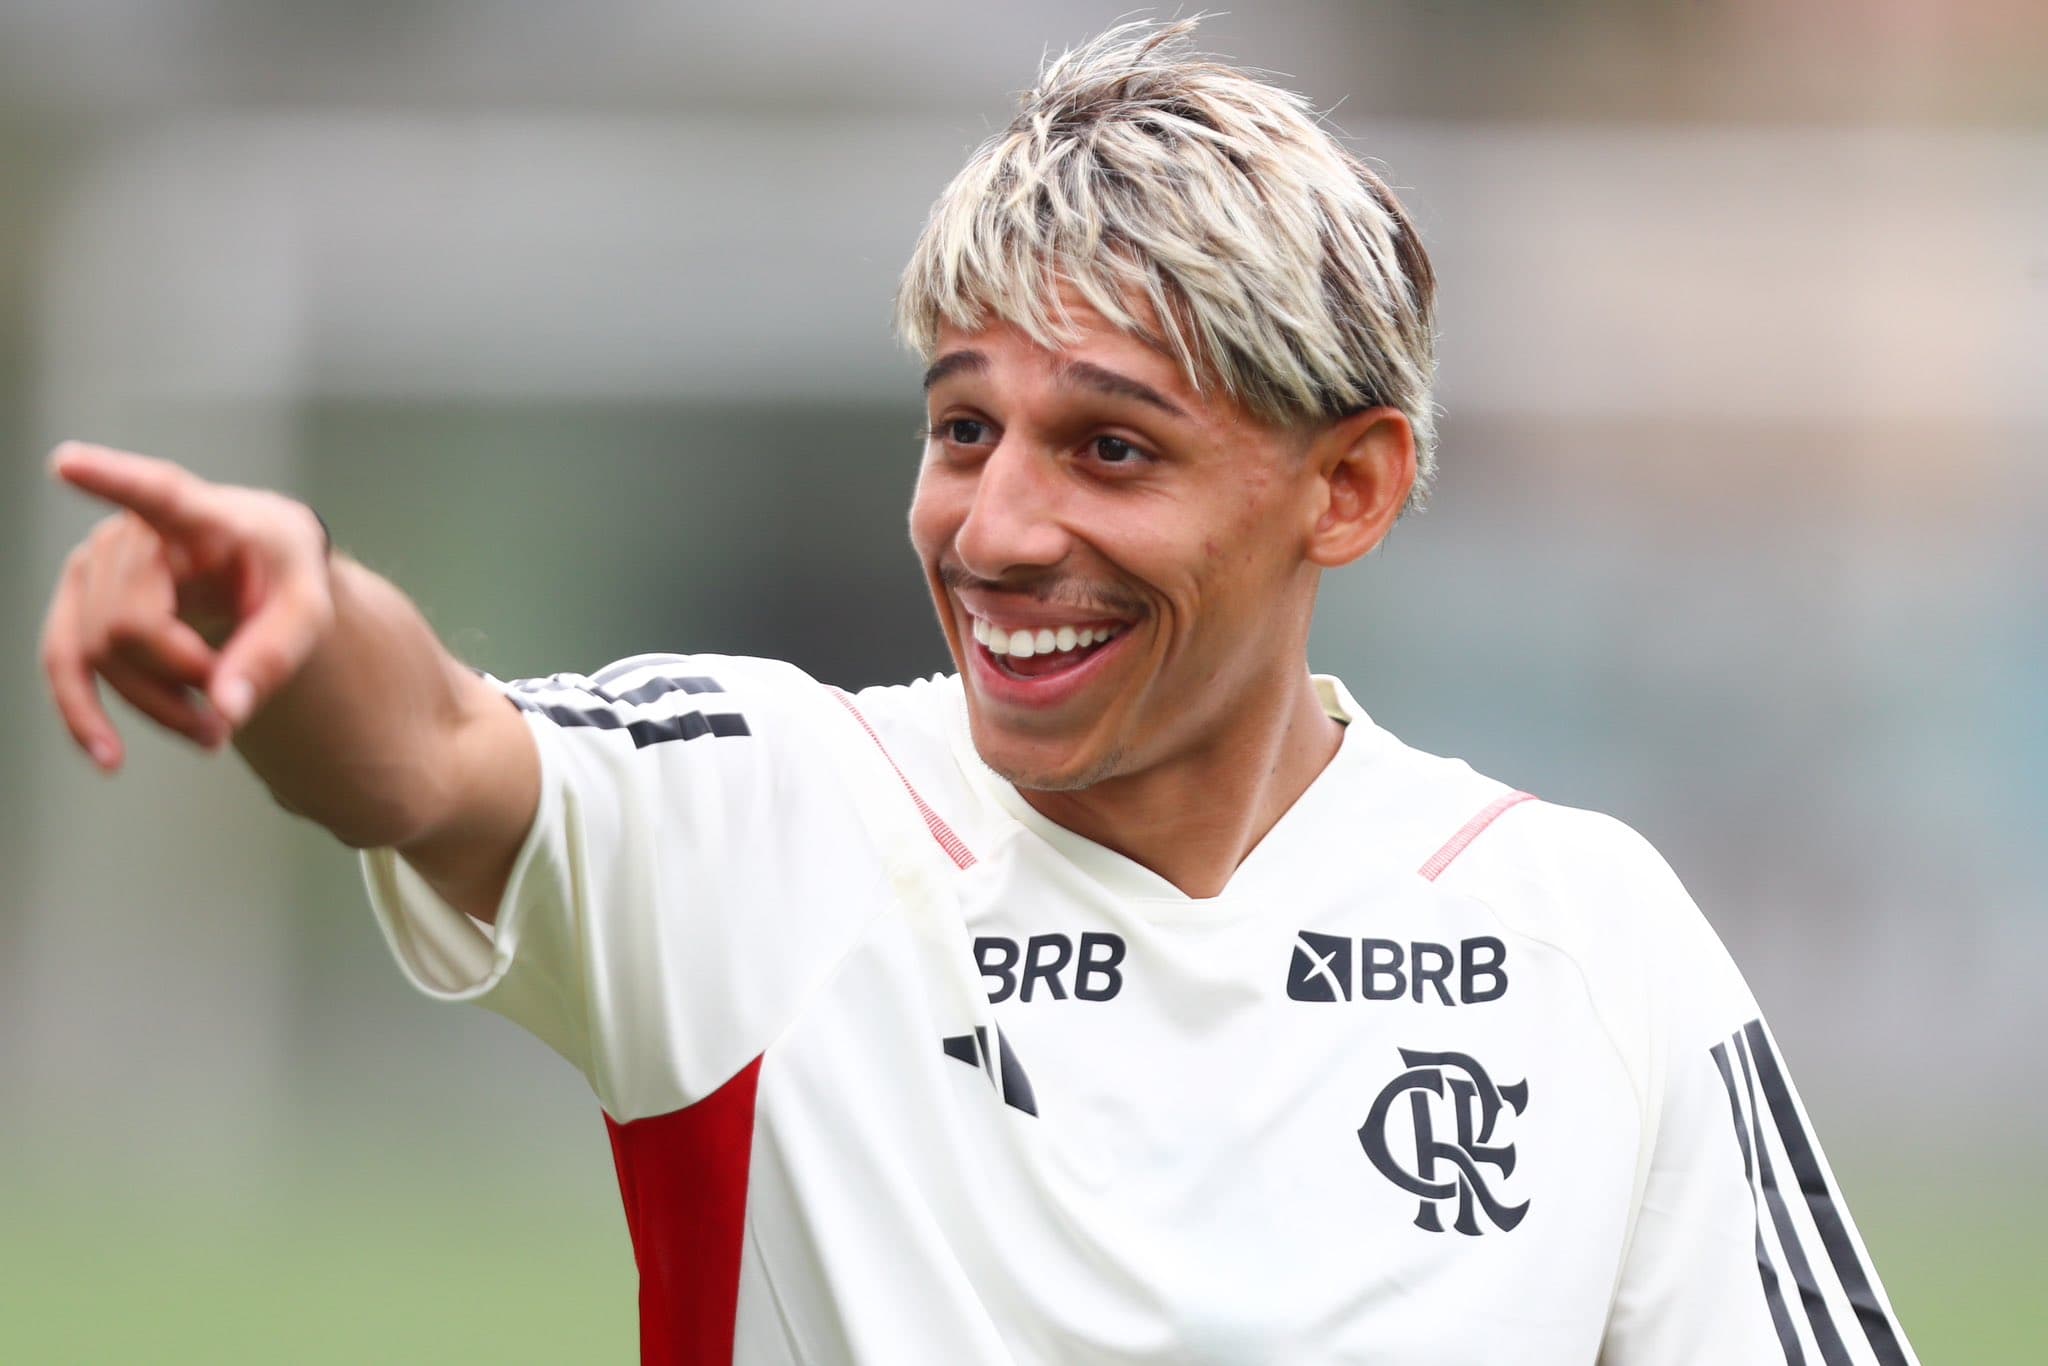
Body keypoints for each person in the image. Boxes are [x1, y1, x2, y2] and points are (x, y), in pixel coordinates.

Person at [38, 19, 1916, 1366]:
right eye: (962, 429)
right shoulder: (770, 810)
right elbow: (434, 743)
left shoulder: (1582, 933)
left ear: (1349, 487)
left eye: (1113, 451)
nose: (1000, 528)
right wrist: (285, 608)